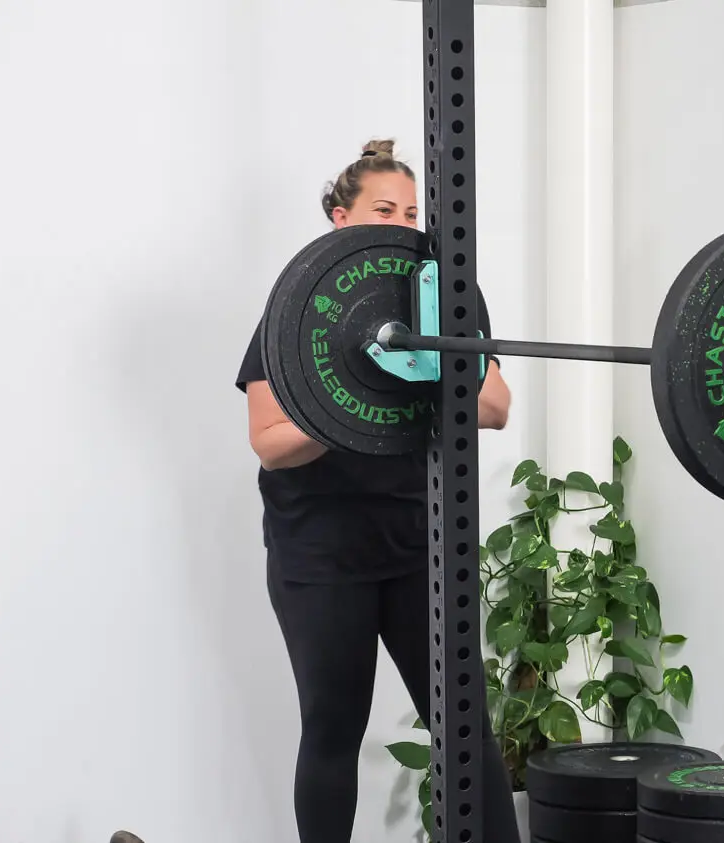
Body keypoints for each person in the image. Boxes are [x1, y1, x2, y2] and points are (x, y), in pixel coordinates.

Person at [236, 139, 520, 843]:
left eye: (410, 211)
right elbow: (270, 443)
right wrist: (340, 405)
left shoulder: (440, 297)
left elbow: (496, 405)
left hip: (417, 544)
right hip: (320, 554)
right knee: (333, 727)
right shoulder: (299, 309)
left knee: (463, 725)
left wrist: (427, 372)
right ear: (341, 218)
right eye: (382, 209)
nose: (400, 223)